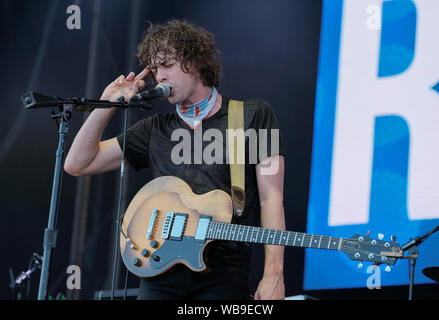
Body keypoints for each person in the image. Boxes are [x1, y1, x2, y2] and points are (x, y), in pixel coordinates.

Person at [64, 20, 286, 300]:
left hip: (225, 273)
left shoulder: (253, 115)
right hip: (160, 269)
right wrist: (107, 103)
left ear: (194, 62)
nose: (159, 77)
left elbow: (271, 201)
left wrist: (274, 275)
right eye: (155, 70)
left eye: (166, 65)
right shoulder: (154, 128)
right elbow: (77, 163)